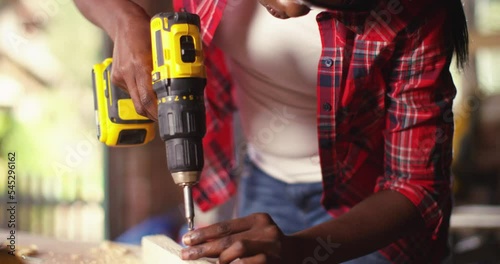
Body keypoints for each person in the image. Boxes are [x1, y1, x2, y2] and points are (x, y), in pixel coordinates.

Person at [74, 0, 468, 262]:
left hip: (373, 212)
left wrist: (300, 248)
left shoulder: (415, 11)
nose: (294, 7)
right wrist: (123, 19)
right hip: (264, 180)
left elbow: (416, 189)